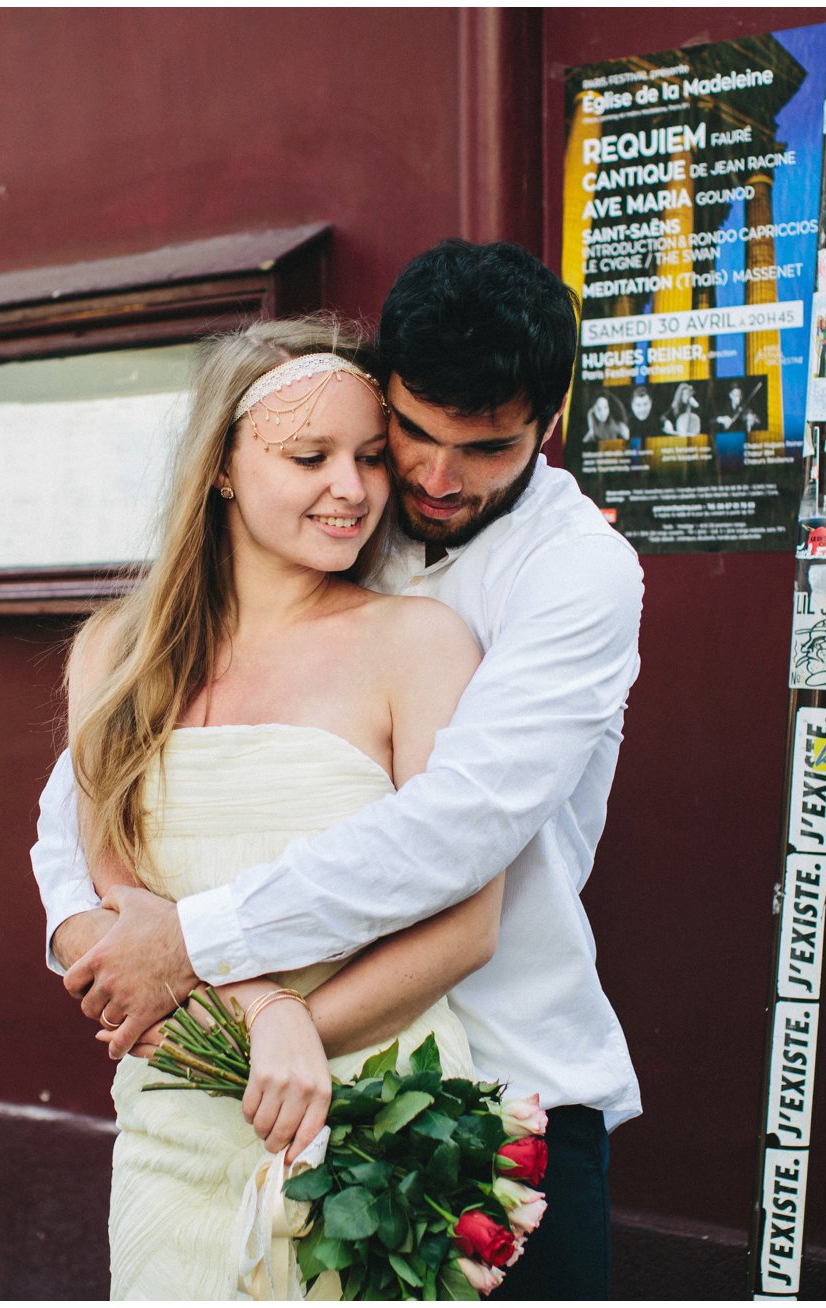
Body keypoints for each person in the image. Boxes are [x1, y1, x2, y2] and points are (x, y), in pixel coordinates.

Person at [37, 239, 644, 1299]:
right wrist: (86, 933)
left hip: (500, 1080)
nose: (430, 478)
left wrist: (204, 957)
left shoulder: (573, 571)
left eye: (487, 448)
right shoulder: (334, 535)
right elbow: (81, 804)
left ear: (548, 426)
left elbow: (460, 828)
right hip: (233, 1079)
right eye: (407, 434)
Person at [62, 316, 500, 1298]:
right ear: (220, 466)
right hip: (178, 1121)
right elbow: (118, 915)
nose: (351, 489)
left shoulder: (419, 645)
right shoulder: (114, 655)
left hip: (383, 1118)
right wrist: (267, 1015)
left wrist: (313, 1026)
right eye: (310, 456)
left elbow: (470, 920)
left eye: (371, 459)